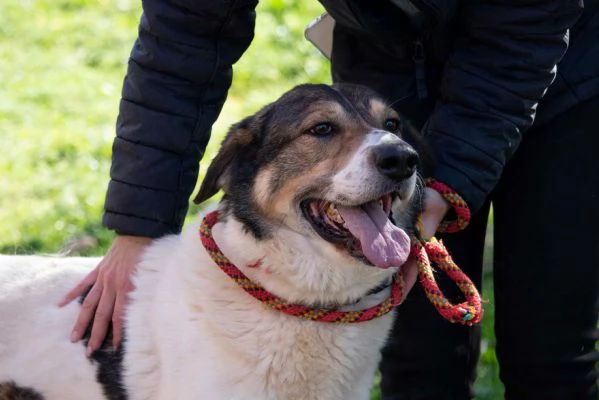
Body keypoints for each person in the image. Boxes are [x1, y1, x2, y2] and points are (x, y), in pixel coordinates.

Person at [59, 0, 599, 398]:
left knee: (550, 350)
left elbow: (516, 48)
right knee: (417, 352)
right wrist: (138, 227)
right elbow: (182, 46)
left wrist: (447, 182)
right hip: (386, 70)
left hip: (554, 80)